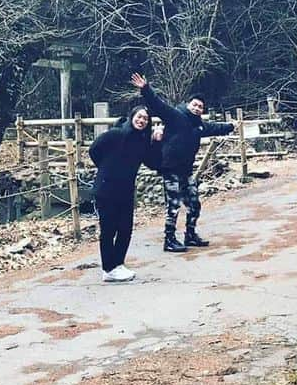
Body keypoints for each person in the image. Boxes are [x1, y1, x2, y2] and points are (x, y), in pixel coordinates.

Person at [130, 72, 234, 252]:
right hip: (170, 168)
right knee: (174, 204)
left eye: (200, 107)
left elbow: (215, 128)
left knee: (194, 204)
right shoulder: (176, 116)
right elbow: (157, 104)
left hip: (186, 171)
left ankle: (190, 234)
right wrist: (145, 89)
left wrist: (231, 126)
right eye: (194, 104)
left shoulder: (199, 125)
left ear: (203, 110)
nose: (197, 108)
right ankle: (169, 239)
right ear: (188, 104)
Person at [88, 104, 164, 282]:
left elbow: (154, 163)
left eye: (145, 119)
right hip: (106, 189)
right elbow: (94, 150)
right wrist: (106, 168)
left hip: (126, 190)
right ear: (132, 117)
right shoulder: (117, 134)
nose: (141, 121)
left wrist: (157, 142)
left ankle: (118, 264)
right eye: (139, 117)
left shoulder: (143, 141)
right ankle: (108, 268)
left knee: (125, 229)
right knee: (108, 230)